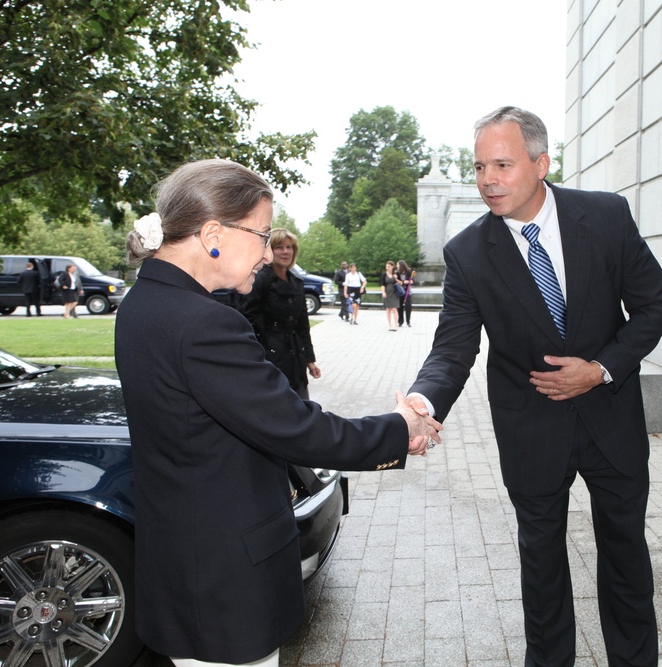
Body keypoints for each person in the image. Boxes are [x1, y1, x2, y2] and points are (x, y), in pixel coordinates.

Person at [114, 159, 441, 667]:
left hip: (187, 564)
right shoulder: (204, 324)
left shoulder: (145, 301)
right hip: (223, 579)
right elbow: (296, 428)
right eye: (262, 235)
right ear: (213, 233)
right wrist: (400, 429)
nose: (268, 253)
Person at [405, 107, 662, 667]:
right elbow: (454, 347)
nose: (487, 180)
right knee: (541, 563)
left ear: (541, 163)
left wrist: (600, 368)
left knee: (626, 557)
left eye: (502, 164)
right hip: (530, 426)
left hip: (611, 417)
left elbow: (654, 307)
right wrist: (421, 401)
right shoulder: (468, 252)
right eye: (479, 167)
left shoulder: (604, 216)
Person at [238, 229, 320, 399]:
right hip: (270, 356)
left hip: (295, 356)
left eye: (289, 247)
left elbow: (302, 325)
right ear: (269, 250)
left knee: (301, 404)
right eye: (279, 247)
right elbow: (248, 321)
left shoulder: (297, 282)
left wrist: (309, 360)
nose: (285, 252)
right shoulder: (260, 280)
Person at [380, 260, 400, 331]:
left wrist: (396, 278)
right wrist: (383, 292)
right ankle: (390, 325)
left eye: (389, 266)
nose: (387, 268)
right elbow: (382, 284)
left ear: (392, 267)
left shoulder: (396, 274)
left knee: (394, 309)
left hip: (394, 293)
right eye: (386, 266)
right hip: (387, 292)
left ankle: (396, 325)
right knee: (388, 309)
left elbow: (401, 283)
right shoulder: (384, 275)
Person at [396, 260, 415, 327]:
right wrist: (404, 281)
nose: (396, 266)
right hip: (400, 291)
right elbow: (396, 281)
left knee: (408, 306)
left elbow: (412, 280)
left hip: (407, 291)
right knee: (399, 306)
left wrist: (411, 281)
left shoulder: (409, 272)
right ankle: (400, 321)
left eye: (397, 265)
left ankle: (408, 321)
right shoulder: (397, 273)